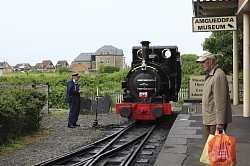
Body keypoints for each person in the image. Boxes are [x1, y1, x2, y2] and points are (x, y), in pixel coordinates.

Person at [196, 52, 232, 140]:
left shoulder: (218, 76)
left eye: (203, 62)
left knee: (215, 149)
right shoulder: (213, 75)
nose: (201, 65)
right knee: (211, 148)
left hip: (215, 121)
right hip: (211, 119)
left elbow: (220, 101)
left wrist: (220, 122)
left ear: (211, 61)